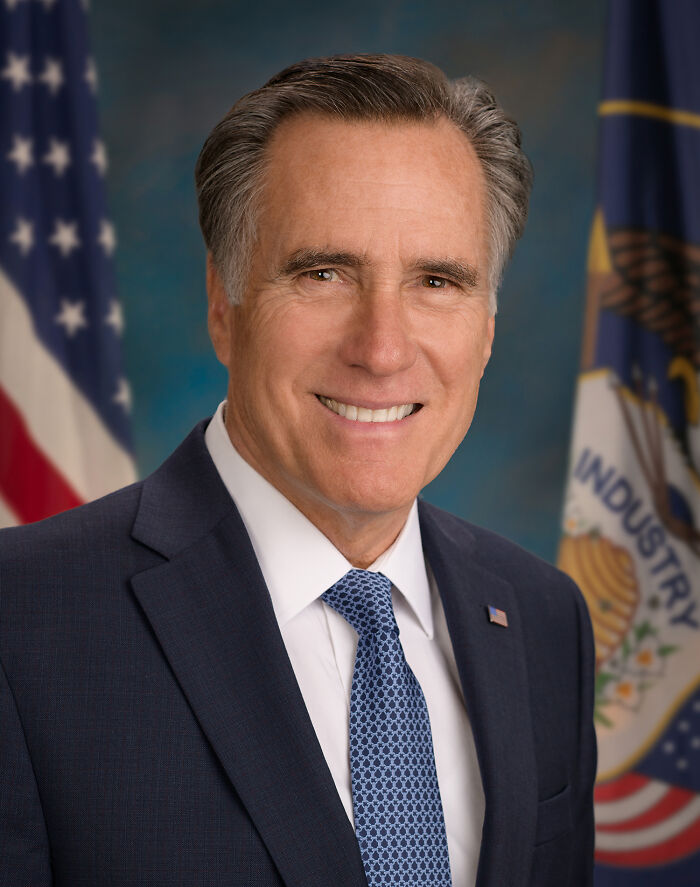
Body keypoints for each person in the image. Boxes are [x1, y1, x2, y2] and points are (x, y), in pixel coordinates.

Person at [0, 54, 596, 886]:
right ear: (223, 304)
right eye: (324, 273)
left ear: (488, 328)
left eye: (436, 280)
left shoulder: (542, 619)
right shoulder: (22, 625)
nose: (382, 348)